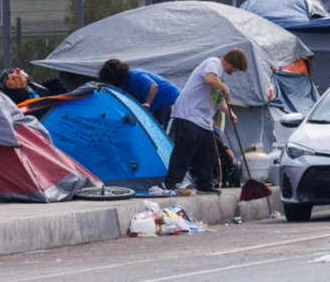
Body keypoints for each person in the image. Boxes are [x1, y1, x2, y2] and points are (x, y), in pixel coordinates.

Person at [162, 48, 249, 195]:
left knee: (208, 154)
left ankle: (205, 185)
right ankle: (169, 183)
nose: (235, 72)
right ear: (233, 62)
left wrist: (230, 113)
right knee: (184, 151)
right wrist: (225, 87)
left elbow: (218, 102)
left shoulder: (219, 77)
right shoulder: (213, 63)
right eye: (236, 68)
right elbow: (208, 79)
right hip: (188, 114)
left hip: (204, 120)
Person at [97, 59, 181, 130]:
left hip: (169, 99)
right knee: (155, 124)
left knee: (162, 126)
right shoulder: (123, 86)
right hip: (156, 106)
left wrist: (148, 103)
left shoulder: (136, 75)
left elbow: (153, 86)